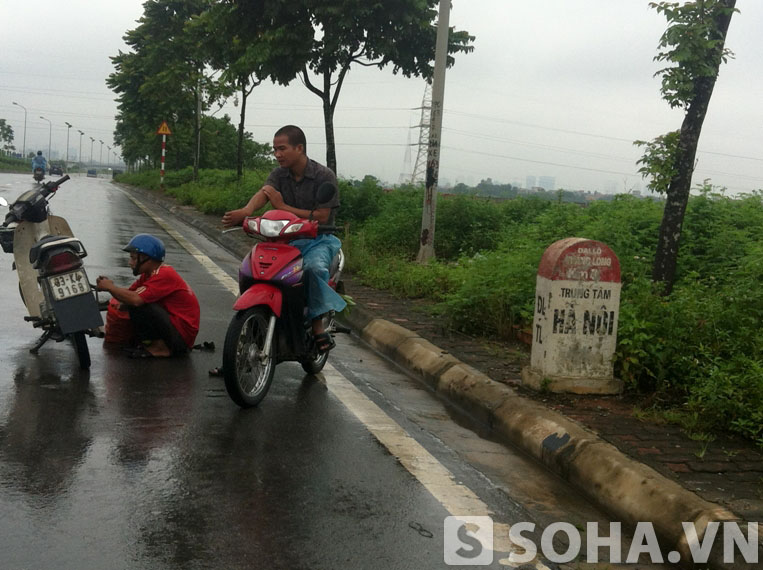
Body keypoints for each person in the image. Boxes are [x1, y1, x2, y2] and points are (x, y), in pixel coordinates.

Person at [222, 124, 346, 353]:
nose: (277, 154)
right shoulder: (279, 174)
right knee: (253, 268)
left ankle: (318, 326)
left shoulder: (323, 176)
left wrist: (282, 206)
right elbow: (264, 193)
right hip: (283, 241)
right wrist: (245, 211)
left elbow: (322, 216)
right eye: (274, 150)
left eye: (282, 148)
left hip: (318, 240)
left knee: (313, 269)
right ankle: (239, 344)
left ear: (299, 148)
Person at [95, 234, 200, 358]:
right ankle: (153, 344)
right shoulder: (149, 274)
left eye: (133, 258)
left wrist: (110, 287)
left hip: (181, 338)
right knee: (129, 303)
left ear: (146, 258)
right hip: (174, 330)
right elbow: (128, 294)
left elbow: (135, 299)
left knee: (138, 304)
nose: (130, 263)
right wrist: (112, 290)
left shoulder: (164, 274)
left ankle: (160, 348)